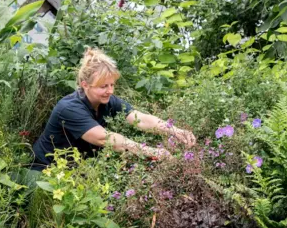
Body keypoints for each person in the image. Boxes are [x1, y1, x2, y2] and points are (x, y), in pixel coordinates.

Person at [31, 48, 197, 171]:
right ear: (85, 85)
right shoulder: (69, 108)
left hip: (74, 170)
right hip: (44, 170)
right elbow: (106, 139)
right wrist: (153, 151)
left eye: (112, 85)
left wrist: (174, 131)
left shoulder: (107, 101)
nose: (110, 91)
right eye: (103, 86)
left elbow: (141, 119)